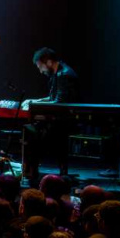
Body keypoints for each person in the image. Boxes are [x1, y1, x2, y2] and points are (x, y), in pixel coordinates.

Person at [20, 48, 79, 182]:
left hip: (64, 122)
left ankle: (32, 172)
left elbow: (59, 103)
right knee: (32, 129)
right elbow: (54, 98)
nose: (41, 71)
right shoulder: (59, 73)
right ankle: (32, 171)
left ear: (49, 62)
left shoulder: (64, 75)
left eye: (41, 67)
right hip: (61, 119)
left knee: (31, 132)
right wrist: (35, 101)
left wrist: (35, 106)